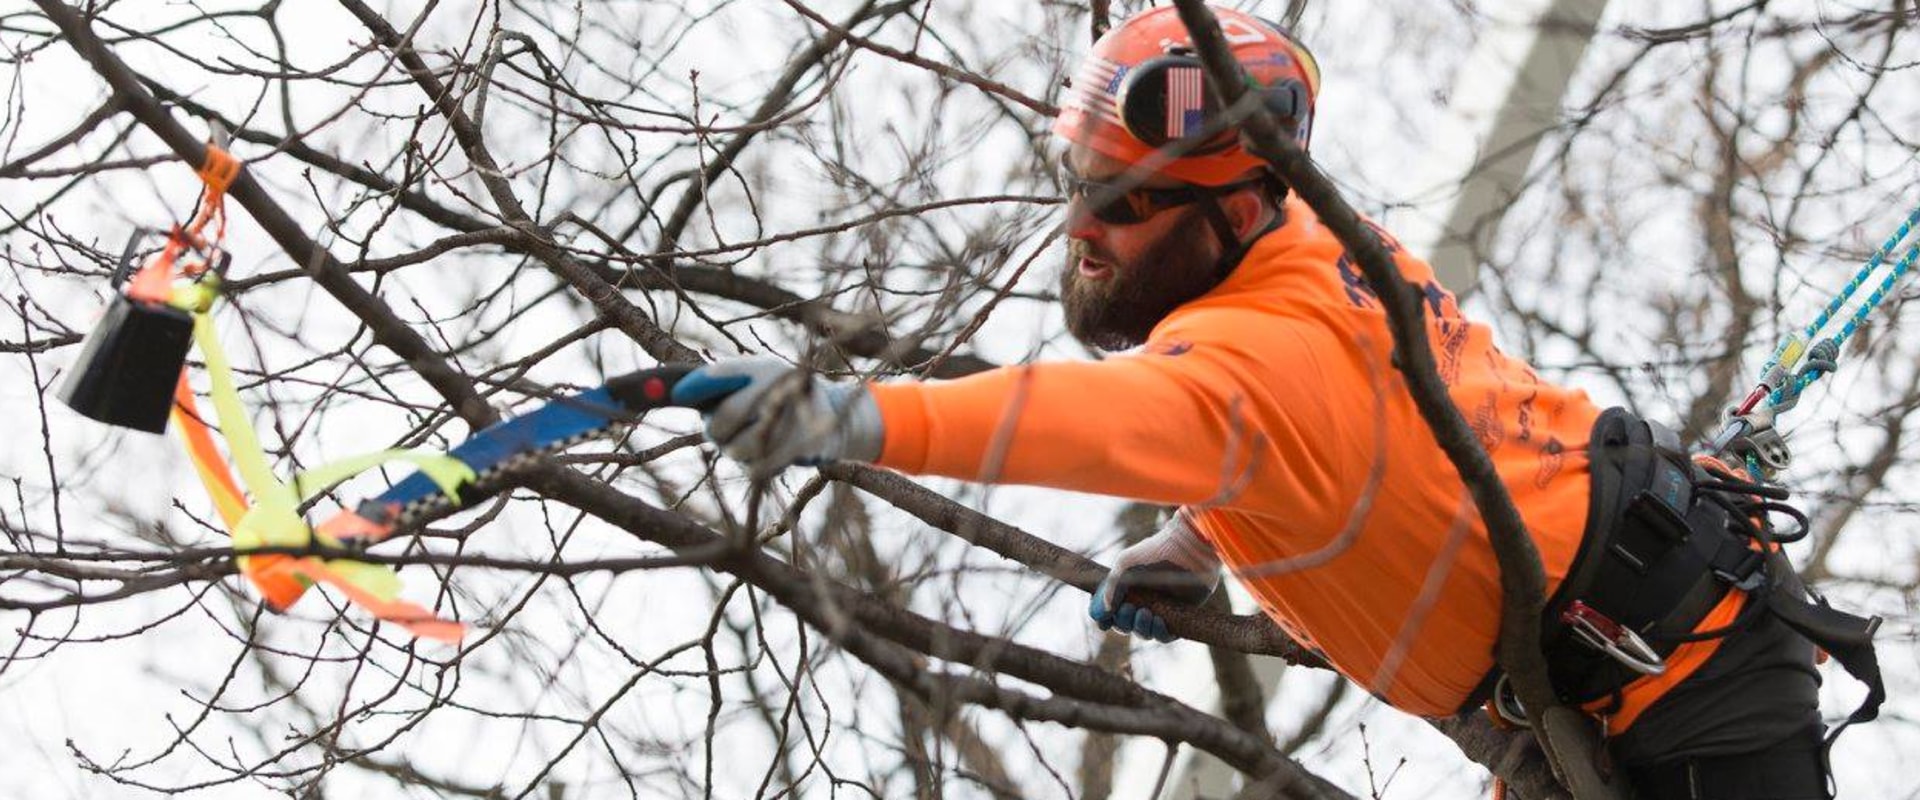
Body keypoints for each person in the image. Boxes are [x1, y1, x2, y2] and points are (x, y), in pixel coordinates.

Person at [671, 7, 1873, 798]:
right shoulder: (1318, 257)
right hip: (1576, 694)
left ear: (1235, 208)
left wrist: (859, 418)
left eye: (1127, 203)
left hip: (1682, 685)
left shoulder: (1252, 358)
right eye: (1077, 185)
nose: (1083, 226)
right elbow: (1345, 444)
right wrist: (1203, 535)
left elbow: (1099, 419)